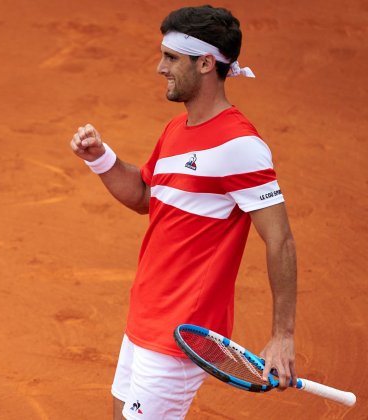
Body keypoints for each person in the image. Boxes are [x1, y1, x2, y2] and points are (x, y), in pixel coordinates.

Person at [70, 5, 297, 419]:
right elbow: (144, 196)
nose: (160, 67)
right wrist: (100, 158)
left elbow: (279, 238)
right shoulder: (177, 129)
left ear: (206, 63)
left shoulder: (241, 147)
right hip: (145, 316)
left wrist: (282, 336)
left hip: (183, 332)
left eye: (171, 58)